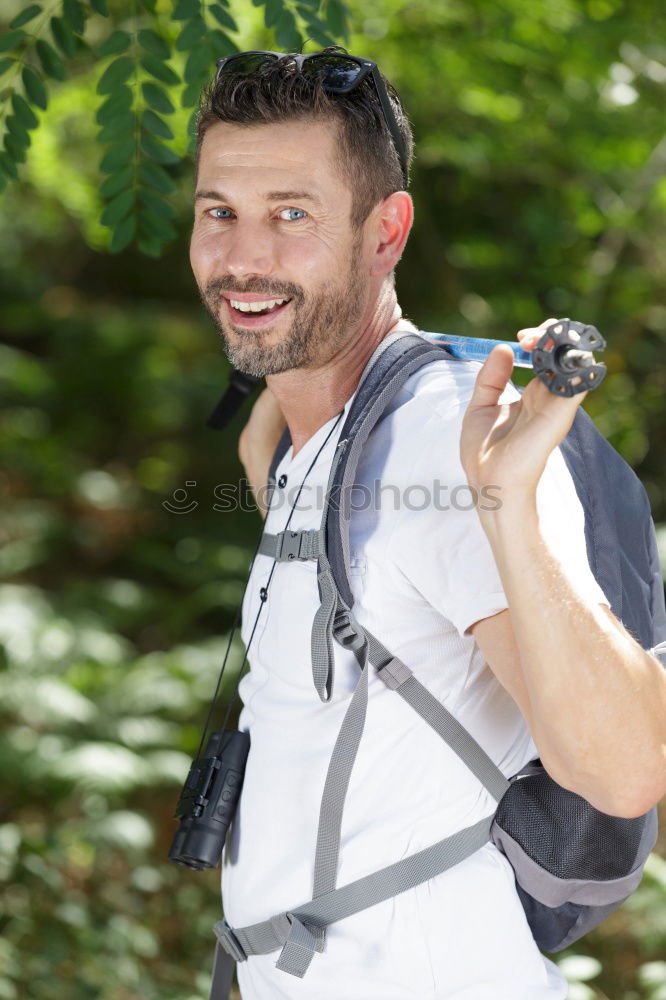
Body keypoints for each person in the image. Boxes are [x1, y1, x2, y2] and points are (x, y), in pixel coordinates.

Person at [188, 47, 666, 1000]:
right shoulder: (314, 429)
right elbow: (277, 454)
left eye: (293, 215)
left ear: (386, 230)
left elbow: (628, 769)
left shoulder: (439, 444)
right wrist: (275, 375)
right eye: (219, 213)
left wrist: (508, 507)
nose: (245, 257)